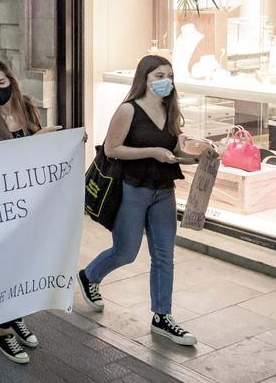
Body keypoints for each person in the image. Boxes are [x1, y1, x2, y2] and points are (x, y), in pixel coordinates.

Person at [78, 55, 203, 348]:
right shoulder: (128, 110)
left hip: (164, 190)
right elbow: (112, 149)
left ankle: (162, 316)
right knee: (126, 251)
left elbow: (174, 150)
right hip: (132, 189)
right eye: (159, 75)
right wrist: (151, 152)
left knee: (164, 255)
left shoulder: (169, 109)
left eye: (169, 75)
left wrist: (200, 157)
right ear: (144, 79)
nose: (165, 81)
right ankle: (89, 276)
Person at [0, 58, 62, 364]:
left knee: (25, 264)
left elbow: (45, 149)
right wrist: (38, 140)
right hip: (0, 204)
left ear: (11, 79)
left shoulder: (26, 106)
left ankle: (15, 315)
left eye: (1, 82)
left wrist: (66, 144)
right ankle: (4, 332)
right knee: (7, 267)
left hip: (31, 200)